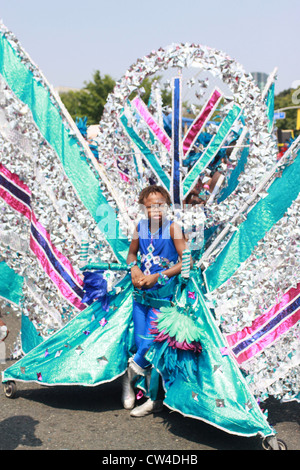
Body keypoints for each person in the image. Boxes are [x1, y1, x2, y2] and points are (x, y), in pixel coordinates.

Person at [123, 185, 188, 417]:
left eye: (161, 205)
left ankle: (130, 380)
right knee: (141, 343)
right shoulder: (140, 227)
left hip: (162, 298)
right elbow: (131, 254)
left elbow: (186, 261)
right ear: (144, 208)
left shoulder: (173, 228)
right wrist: (134, 268)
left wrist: (159, 276)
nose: (156, 210)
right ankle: (150, 396)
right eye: (151, 206)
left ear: (167, 205)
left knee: (150, 345)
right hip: (140, 297)